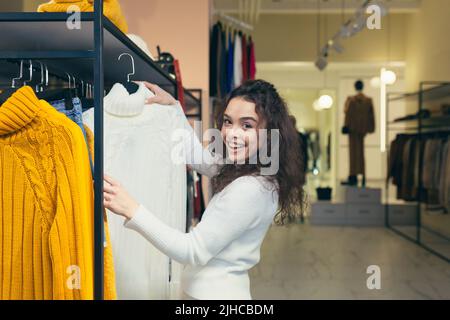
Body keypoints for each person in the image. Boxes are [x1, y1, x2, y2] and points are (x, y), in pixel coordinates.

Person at [103, 79, 306, 300]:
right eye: (228, 122)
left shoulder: (251, 188)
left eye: (247, 125)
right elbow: (199, 158)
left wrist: (132, 209)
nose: (232, 134)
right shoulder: (248, 169)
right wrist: (174, 108)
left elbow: (193, 250)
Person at [341, 80, 375, 187]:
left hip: (353, 129)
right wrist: (370, 128)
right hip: (361, 129)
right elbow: (371, 116)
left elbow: (346, 113)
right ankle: (361, 175)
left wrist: (346, 125)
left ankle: (353, 175)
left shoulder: (351, 100)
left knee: (353, 153)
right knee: (360, 153)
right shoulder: (368, 100)